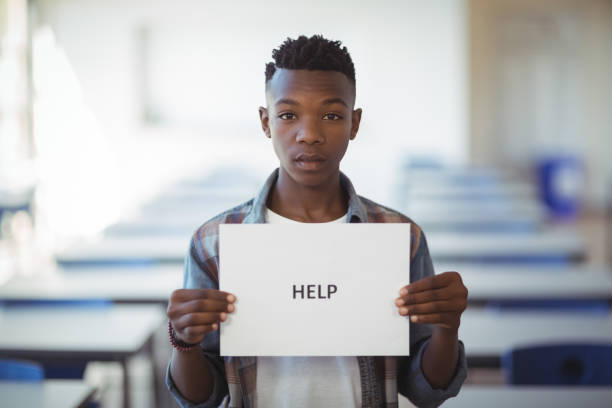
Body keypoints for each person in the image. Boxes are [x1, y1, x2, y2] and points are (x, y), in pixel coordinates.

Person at [166, 34, 468, 408]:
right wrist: (184, 341)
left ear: (354, 124)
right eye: (288, 115)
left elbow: (426, 391)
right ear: (265, 122)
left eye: (331, 115)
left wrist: (447, 328)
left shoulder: (398, 238)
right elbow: (203, 398)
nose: (309, 135)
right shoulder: (214, 243)